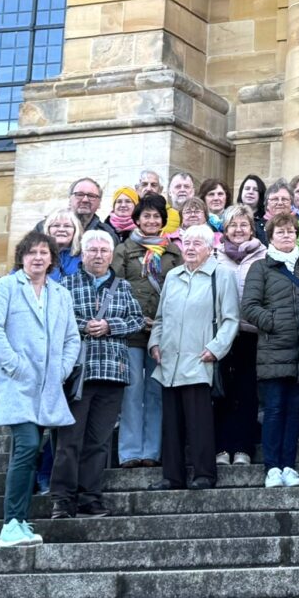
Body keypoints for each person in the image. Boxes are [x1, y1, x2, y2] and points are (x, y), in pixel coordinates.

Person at [0, 231, 80, 547]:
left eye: (43, 252)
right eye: (31, 252)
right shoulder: (6, 287)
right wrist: (15, 365)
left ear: (52, 259)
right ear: (22, 256)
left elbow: (72, 339)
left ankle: (22, 521)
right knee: (27, 443)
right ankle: (9, 524)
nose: (38, 257)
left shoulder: (60, 294)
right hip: (14, 383)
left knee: (33, 449)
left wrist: (60, 370)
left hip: (46, 387)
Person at [51, 230, 144, 519]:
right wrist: (84, 325)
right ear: (83, 253)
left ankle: (90, 497)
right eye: (93, 250)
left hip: (112, 374)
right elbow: (55, 321)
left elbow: (137, 320)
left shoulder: (123, 287)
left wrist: (109, 326)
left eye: (105, 250)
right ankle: (63, 499)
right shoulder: (64, 286)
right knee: (69, 440)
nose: (99, 255)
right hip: (77, 375)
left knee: (99, 441)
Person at [148, 224, 240, 491]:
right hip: (169, 360)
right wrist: (155, 342)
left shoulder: (221, 276)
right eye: (186, 243)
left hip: (200, 359)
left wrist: (215, 348)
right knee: (172, 424)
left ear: (210, 249)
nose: (189, 248)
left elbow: (231, 320)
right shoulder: (173, 276)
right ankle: (171, 477)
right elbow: (161, 317)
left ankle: (204, 475)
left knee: (199, 423)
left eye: (197, 243)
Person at [242, 211, 299, 488]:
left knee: (295, 411)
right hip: (274, 350)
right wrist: (274, 322)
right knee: (274, 410)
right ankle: (272, 467)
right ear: (271, 236)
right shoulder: (260, 267)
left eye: (291, 231)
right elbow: (249, 306)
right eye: (281, 231)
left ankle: (290, 465)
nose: (287, 235)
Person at [112, 194, 181, 468]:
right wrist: (134, 317)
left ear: (163, 220)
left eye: (156, 216)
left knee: (155, 391)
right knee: (132, 390)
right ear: (137, 219)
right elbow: (114, 288)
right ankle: (129, 452)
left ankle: (151, 451)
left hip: (161, 331)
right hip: (131, 331)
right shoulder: (124, 249)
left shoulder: (173, 251)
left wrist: (162, 321)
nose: (151, 220)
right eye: (146, 216)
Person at [212, 204, 266, 467]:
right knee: (222, 392)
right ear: (225, 229)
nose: (238, 229)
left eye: (243, 224)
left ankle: (243, 448)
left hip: (250, 333)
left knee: (247, 392)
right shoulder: (214, 256)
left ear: (252, 228)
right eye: (233, 225)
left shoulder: (263, 256)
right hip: (221, 335)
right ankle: (222, 446)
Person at [34, 178, 109, 235]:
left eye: (91, 196)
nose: (85, 200)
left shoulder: (107, 232)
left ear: (99, 203)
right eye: (79, 194)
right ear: (70, 200)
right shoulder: (44, 227)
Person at [43, 208, 83, 278]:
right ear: (48, 230)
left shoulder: (84, 256)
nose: (61, 229)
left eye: (67, 226)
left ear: (75, 231)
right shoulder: (36, 254)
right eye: (56, 225)